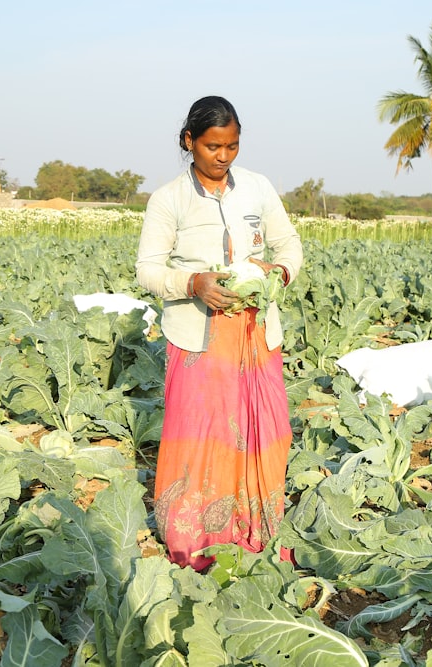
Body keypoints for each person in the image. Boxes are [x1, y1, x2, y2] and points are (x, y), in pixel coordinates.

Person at [136, 95, 302, 571]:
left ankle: (257, 529)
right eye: (212, 146)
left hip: (255, 335)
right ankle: (197, 539)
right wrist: (193, 283)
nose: (223, 156)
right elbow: (147, 270)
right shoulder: (168, 199)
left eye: (232, 146)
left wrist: (279, 273)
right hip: (199, 339)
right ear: (189, 142)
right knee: (201, 438)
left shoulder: (258, 188)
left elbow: (289, 244)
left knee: (267, 432)